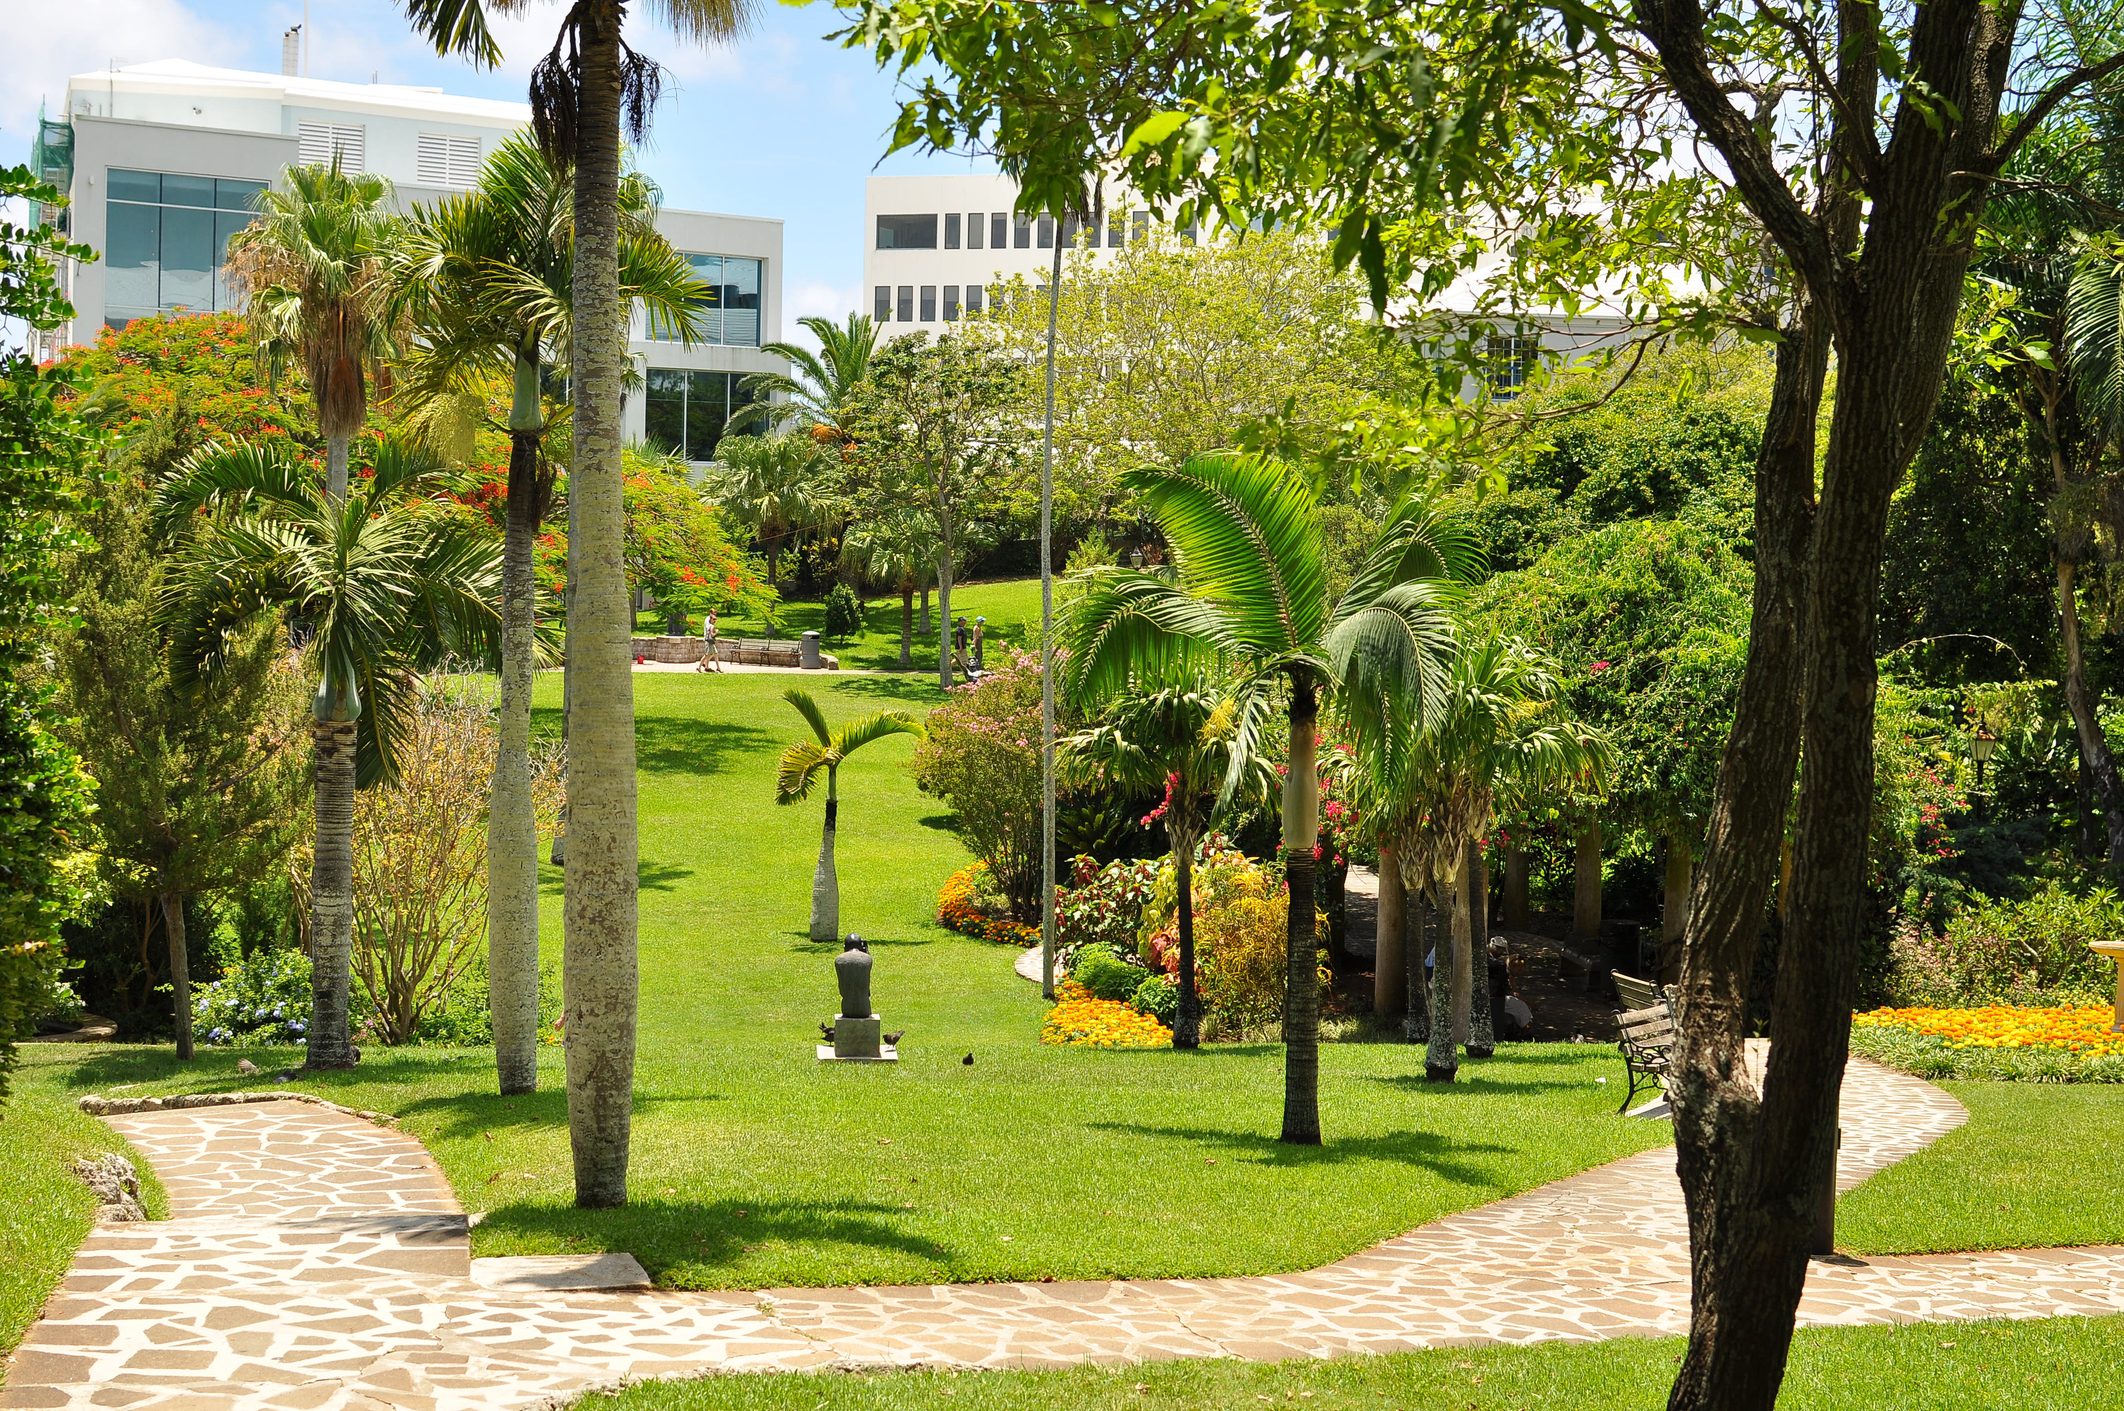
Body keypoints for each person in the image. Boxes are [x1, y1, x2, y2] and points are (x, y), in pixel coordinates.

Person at [696, 607, 722, 672]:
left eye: (715, 614)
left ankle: (708, 666)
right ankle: (702, 666)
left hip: (710, 640)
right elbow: (710, 631)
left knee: (713, 653)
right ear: (710, 613)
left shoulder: (711, 622)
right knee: (708, 654)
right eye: (713, 614)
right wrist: (716, 631)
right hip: (708, 639)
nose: (715, 616)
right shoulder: (708, 620)